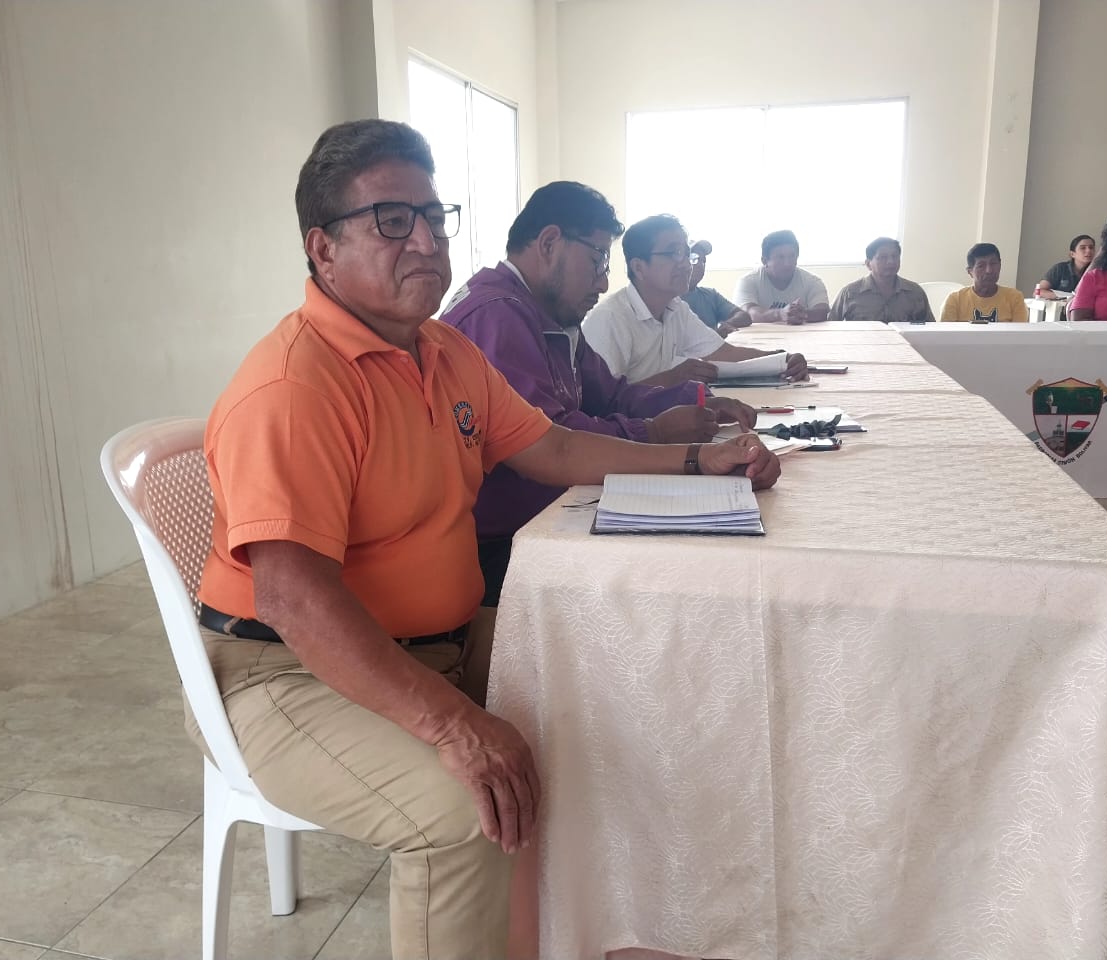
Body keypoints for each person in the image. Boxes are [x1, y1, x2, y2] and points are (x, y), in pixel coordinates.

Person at [193, 120, 782, 960]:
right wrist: (452, 727)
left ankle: (594, 938)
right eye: (392, 221)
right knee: (461, 814)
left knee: (626, 685)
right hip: (283, 671)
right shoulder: (295, 386)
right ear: (323, 250)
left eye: (435, 217)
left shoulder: (441, 350)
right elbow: (293, 598)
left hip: (437, 641)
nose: (426, 241)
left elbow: (556, 448)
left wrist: (697, 460)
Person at [439, 182, 756, 679]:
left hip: (552, 513)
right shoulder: (496, 315)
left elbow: (609, 394)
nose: (604, 281)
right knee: (680, 587)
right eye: (598, 260)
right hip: (505, 544)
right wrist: (655, 433)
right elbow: (554, 439)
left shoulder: (546, 312)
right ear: (549, 243)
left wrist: (692, 400)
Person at [582, 214, 807, 387]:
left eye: (686, 253)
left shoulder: (675, 308)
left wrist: (782, 359)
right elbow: (600, 403)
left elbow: (724, 353)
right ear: (639, 267)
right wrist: (672, 378)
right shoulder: (611, 319)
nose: (685, 264)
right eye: (673, 253)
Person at [827, 237, 934, 323]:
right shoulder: (850, 293)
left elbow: (931, 329)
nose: (890, 261)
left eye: (895, 256)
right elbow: (830, 326)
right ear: (868, 264)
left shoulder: (915, 292)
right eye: (883, 257)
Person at [733, 229, 830, 325]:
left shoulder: (812, 281)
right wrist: (779, 314)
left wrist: (803, 314)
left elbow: (823, 311)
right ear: (764, 261)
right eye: (780, 257)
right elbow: (748, 313)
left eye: (792, 256)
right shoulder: (748, 282)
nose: (787, 263)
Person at [939, 243, 1029, 323]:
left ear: (1000, 266)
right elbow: (945, 335)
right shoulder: (955, 300)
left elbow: (1020, 334)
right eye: (981, 266)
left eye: (993, 264)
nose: (989, 270)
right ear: (970, 272)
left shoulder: (1014, 298)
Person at [682, 239, 753, 335]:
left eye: (703, 261)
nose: (700, 265)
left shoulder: (710, 295)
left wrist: (726, 325)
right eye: (694, 259)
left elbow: (744, 316)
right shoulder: (670, 299)